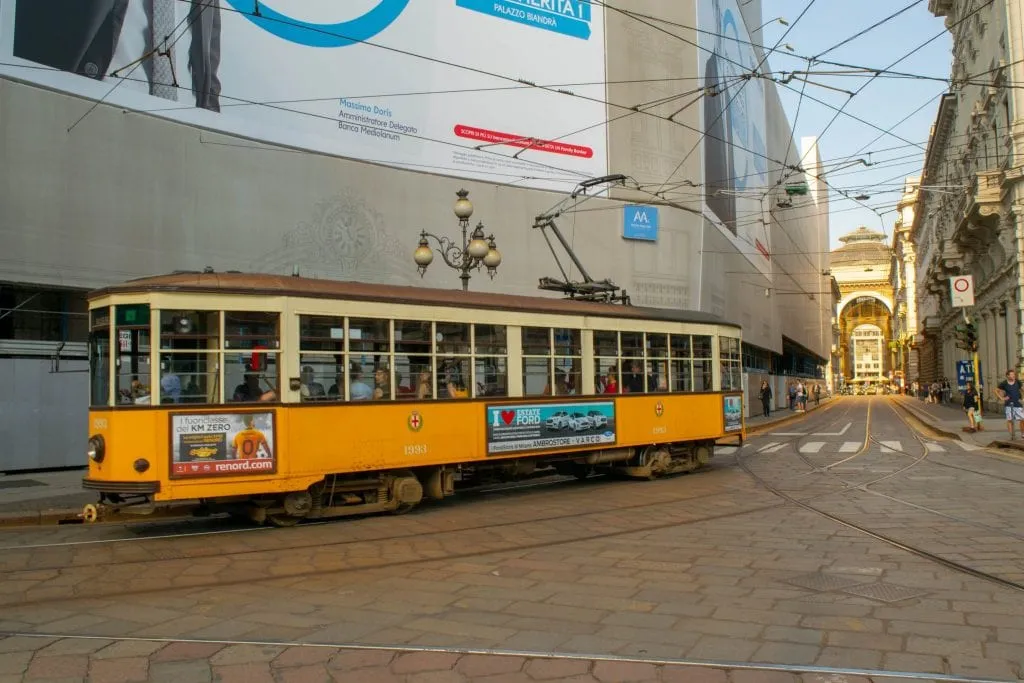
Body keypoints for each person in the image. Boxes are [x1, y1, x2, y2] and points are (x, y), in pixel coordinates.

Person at [995, 369, 1024, 439]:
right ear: (1007, 376)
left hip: (1017, 404)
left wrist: (1022, 398)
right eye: (1011, 374)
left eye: (1014, 374)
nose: (1013, 375)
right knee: (1010, 420)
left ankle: (1023, 434)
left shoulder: (1018, 382)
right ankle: (1012, 435)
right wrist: (1002, 398)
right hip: (1008, 404)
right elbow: (996, 390)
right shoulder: (1004, 383)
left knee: (1023, 419)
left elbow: (1023, 389)